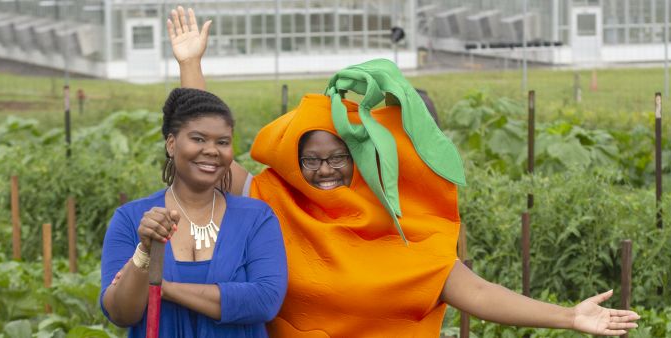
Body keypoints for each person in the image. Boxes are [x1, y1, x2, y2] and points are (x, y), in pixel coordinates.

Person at [166, 6, 640, 337]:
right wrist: (191, 64)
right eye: (315, 159)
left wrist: (567, 317)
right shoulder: (280, 201)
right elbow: (214, 160)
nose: (326, 171)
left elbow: (476, 291)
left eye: (341, 158)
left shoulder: (408, 228)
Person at [99, 87, 288, 337]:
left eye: (222, 142)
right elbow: (121, 314)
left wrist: (163, 288)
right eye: (198, 139)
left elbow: (265, 301)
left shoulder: (257, 217)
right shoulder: (132, 219)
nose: (211, 150)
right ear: (171, 144)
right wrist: (144, 252)